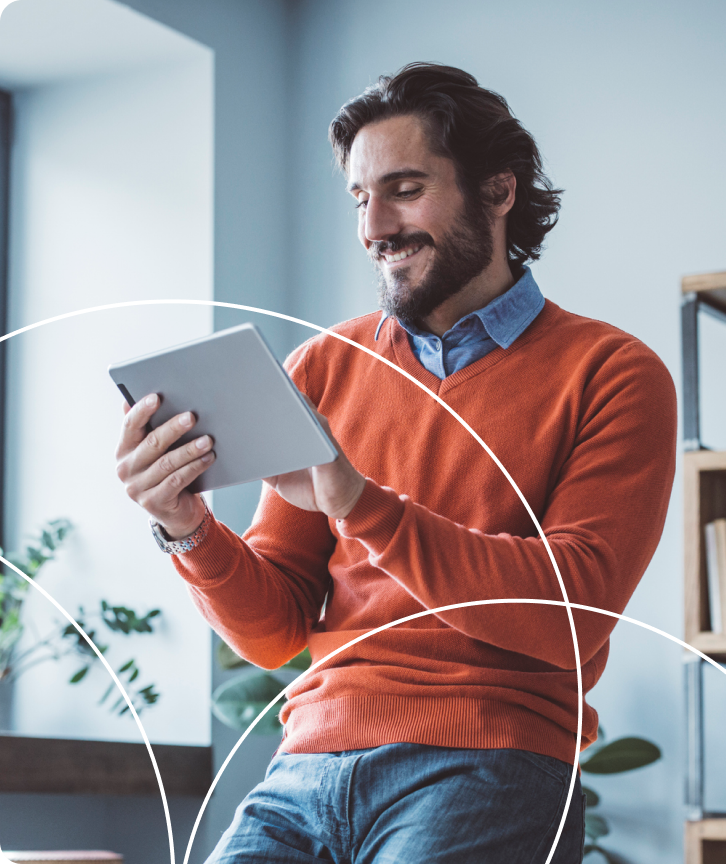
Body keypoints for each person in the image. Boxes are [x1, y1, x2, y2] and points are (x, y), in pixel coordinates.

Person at [115, 63, 677, 863]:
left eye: (405, 189)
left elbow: (572, 610)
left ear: (498, 191)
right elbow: (277, 630)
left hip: (489, 757)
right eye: (358, 198)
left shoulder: (613, 373)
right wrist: (186, 527)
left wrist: (363, 505)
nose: (374, 225)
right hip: (303, 767)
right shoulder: (323, 366)